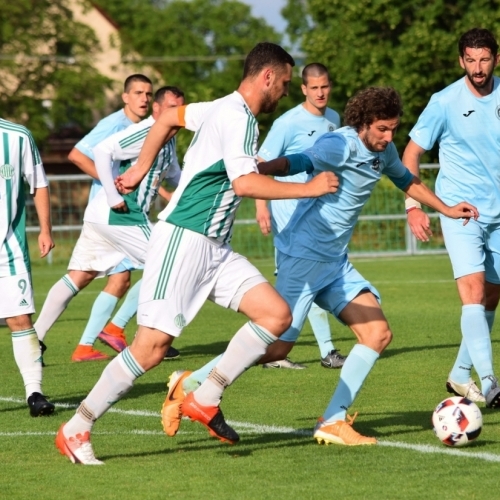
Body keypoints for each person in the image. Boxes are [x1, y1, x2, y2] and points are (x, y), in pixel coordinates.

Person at [55, 42, 340, 465]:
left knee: (276, 316)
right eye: (283, 82)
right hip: (184, 240)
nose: (285, 91)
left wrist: (140, 167)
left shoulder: (219, 107)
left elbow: (167, 118)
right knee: (150, 348)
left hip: (215, 248)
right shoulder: (237, 117)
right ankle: (76, 427)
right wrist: (310, 188)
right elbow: (244, 184)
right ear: (267, 77)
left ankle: (205, 396)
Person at [168, 86, 479, 447]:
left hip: (335, 262)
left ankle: (333, 420)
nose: (388, 137)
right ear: (364, 123)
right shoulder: (339, 145)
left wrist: (446, 209)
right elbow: (296, 162)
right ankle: (191, 383)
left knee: (377, 334)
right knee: (276, 347)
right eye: (382, 129)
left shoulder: (386, 151)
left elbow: (407, 181)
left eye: (393, 129)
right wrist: (253, 171)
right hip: (303, 256)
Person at [34, 86, 183, 366]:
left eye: (181, 108)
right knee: (170, 264)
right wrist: (114, 196)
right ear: (157, 109)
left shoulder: (170, 138)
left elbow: (176, 176)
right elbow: (100, 150)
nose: (178, 114)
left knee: (80, 276)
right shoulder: (144, 131)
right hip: (121, 214)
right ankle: (124, 330)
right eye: (172, 108)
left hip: (103, 214)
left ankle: (34, 341)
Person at [402, 27, 500, 408]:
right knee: (473, 292)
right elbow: (410, 155)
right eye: (470, 60)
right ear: (461, 61)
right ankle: (490, 383)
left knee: (491, 296)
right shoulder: (443, 102)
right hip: (460, 214)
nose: (478, 68)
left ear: (496, 58)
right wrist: (413, 206)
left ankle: (460, 374)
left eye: (485, 59)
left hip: (498, 215)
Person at [255, 62, 345, 370]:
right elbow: (260, 164)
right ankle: (285, 349)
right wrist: (261, 206)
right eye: (314, 88)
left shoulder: (334, 119)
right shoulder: (288, 122)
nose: (320, 93)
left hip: (318, 214)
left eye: (325, 86)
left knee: (308, 279)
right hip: (288, 214)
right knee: (304, 279)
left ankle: (283, 349)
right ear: (304, 89)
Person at [0, 118, 55, 416]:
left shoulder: (18, 136)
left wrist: (45, 229)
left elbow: (39, 183)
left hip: (8, 249)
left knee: (21, 319)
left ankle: (35, 393)